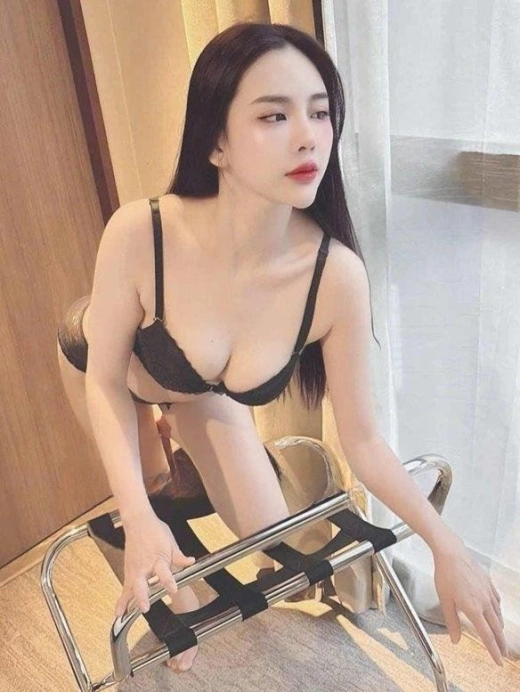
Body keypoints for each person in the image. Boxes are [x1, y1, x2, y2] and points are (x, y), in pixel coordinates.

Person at [56, 21, 507, 675]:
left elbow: (365, 441)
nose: (308, 137)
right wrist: (138, 514)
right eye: (274, 115)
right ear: (216, 142)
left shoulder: (335, 277)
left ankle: (212, 452)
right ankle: (164, 490)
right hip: (109, 364)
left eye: (320, 113)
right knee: (157, 518)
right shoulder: (142, 232)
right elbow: (103, 382)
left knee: (275, 544)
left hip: (199, 388)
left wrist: (447, 546)